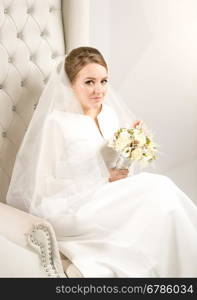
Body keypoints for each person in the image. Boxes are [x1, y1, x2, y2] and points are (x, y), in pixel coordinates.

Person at [6, 47, 197, 277]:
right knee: (160, 187)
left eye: (103, 81)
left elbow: (118, 165)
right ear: (70, 85)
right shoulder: (57, 123)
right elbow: (44, 186)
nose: (99, 90)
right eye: (89, 82)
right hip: (71, 205)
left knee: (163, 199)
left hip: (109, 195)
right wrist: (104, 178)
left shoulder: (109, 115)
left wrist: (135, 145)